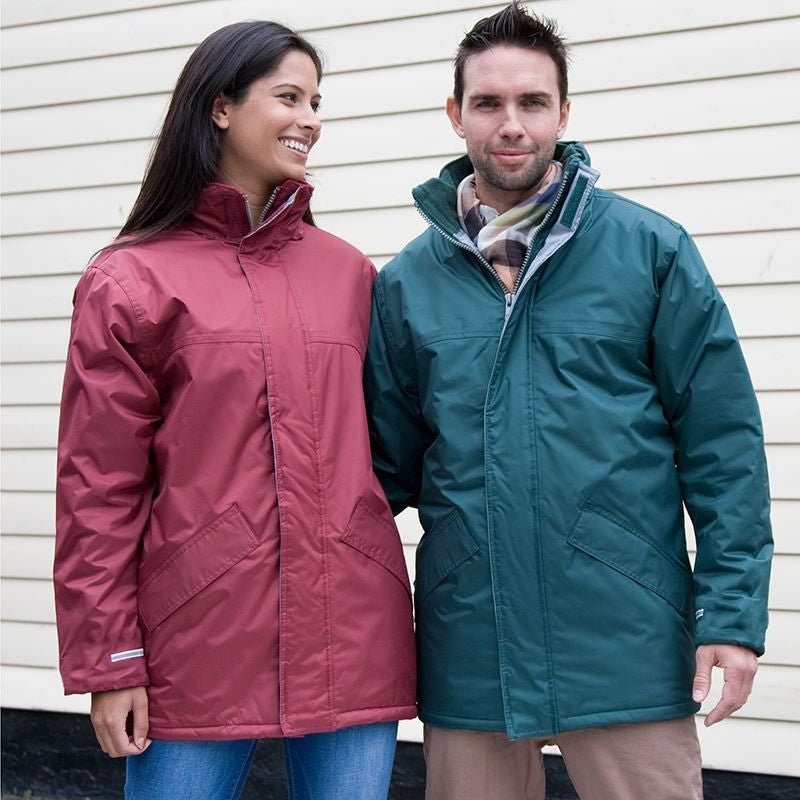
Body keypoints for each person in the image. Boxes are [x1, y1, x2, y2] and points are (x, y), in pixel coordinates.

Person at [364, 3, 772, 798]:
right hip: (471, 643)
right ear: (455, 114)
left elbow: (723, 448)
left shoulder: (650, 250)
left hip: (626, 637)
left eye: (532, 102)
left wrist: (731, 616)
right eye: (488, 103)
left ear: (563, 112)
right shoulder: (406, 283)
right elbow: (378, 474)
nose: (511, 125)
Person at [53, 20, 416, 800]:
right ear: (220, 107)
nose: (309, 119)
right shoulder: (131, 281)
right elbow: (98, 490)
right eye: (288, 97)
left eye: (316, 102)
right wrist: (111, 659)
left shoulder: (350, 275)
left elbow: (389, 448)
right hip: (197, 636)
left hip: (352, 629)